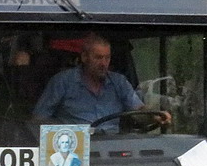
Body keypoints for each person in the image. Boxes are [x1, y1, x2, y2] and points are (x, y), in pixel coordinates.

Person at [33, 34, 171, 133]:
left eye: (107, 58)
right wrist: (65, 131)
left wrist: (154, 116)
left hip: (112, 147)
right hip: (75, 148)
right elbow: (39, 119)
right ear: (84, 57)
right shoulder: (62, 82)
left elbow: (138, 111)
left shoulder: (119, 82)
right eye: (98, 58)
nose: (104, 64)